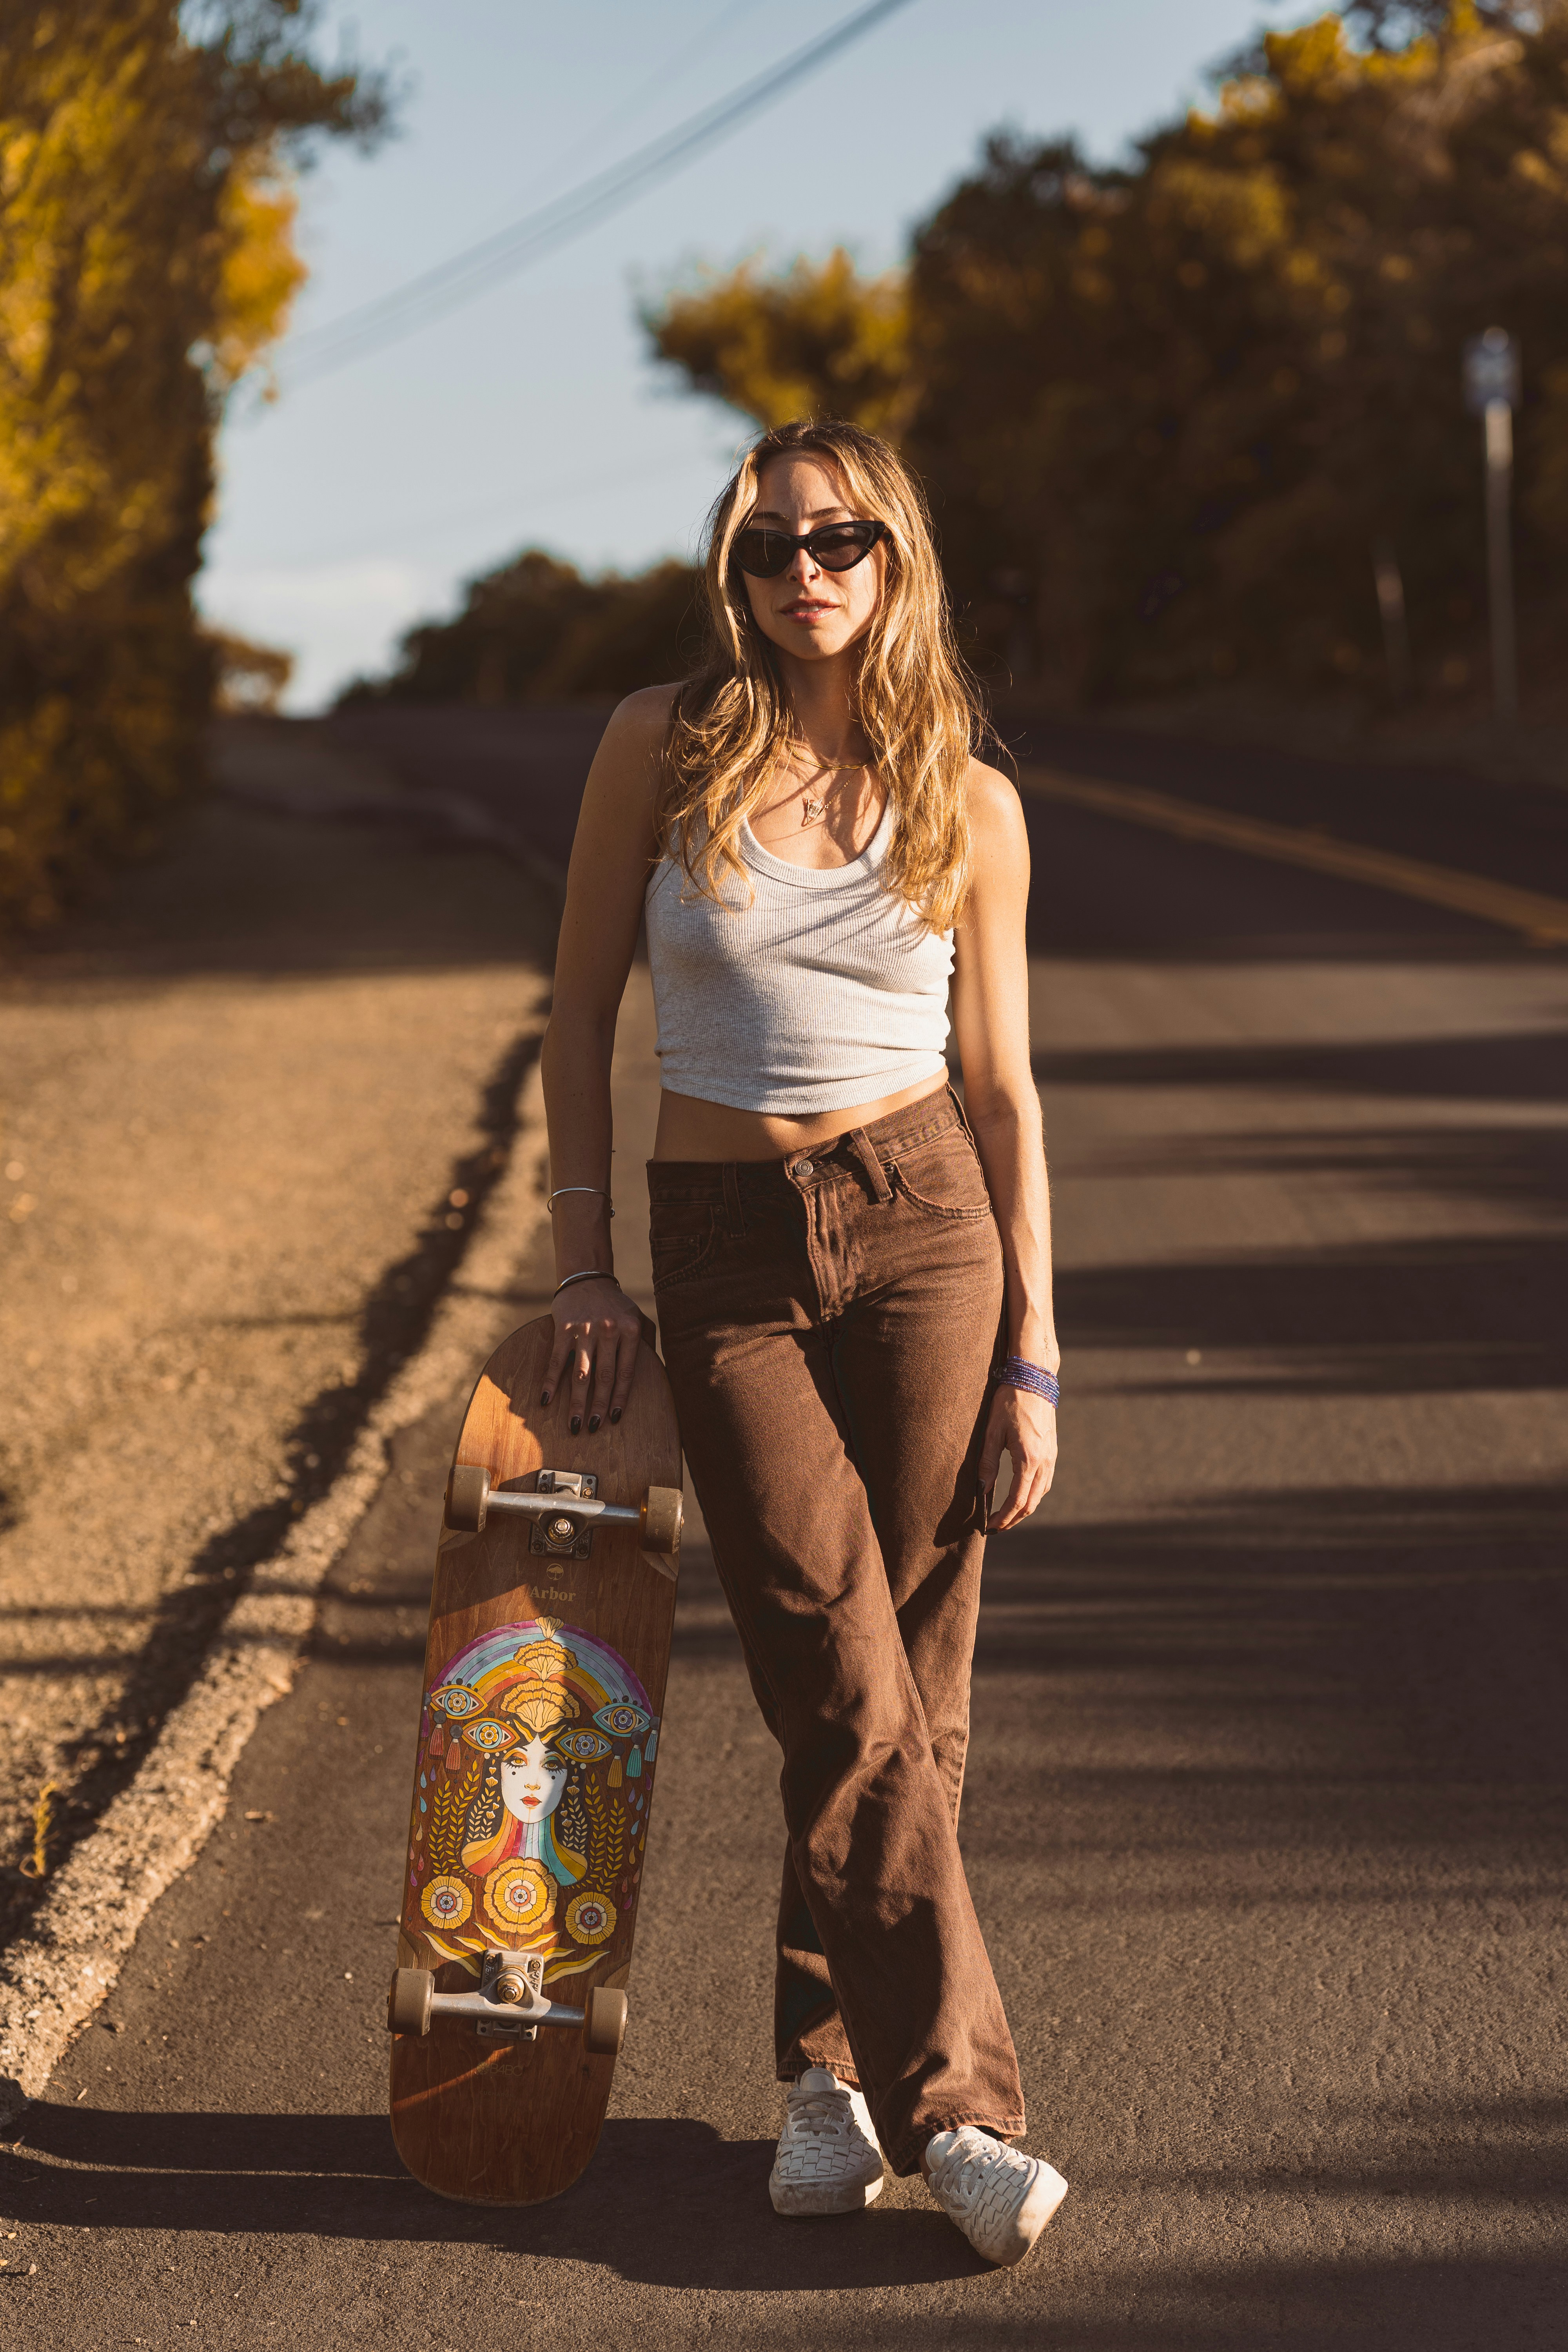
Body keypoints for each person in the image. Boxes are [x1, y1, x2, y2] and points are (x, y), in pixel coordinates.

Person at [538, 417, 1066, 2268]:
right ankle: (969, 2109)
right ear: (734, 574)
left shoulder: (969, 798)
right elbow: (576, 1008)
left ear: (895, 557)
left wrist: (1038, 1355)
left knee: (910, 1686)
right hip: (722, 1243)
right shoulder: (656, 748)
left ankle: (829, 2081)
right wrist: (582, 1269)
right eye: (769, 549)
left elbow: (1000, 1087)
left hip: (932, 1230)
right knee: (825, 1659)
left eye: (840, 542)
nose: (804, 575)